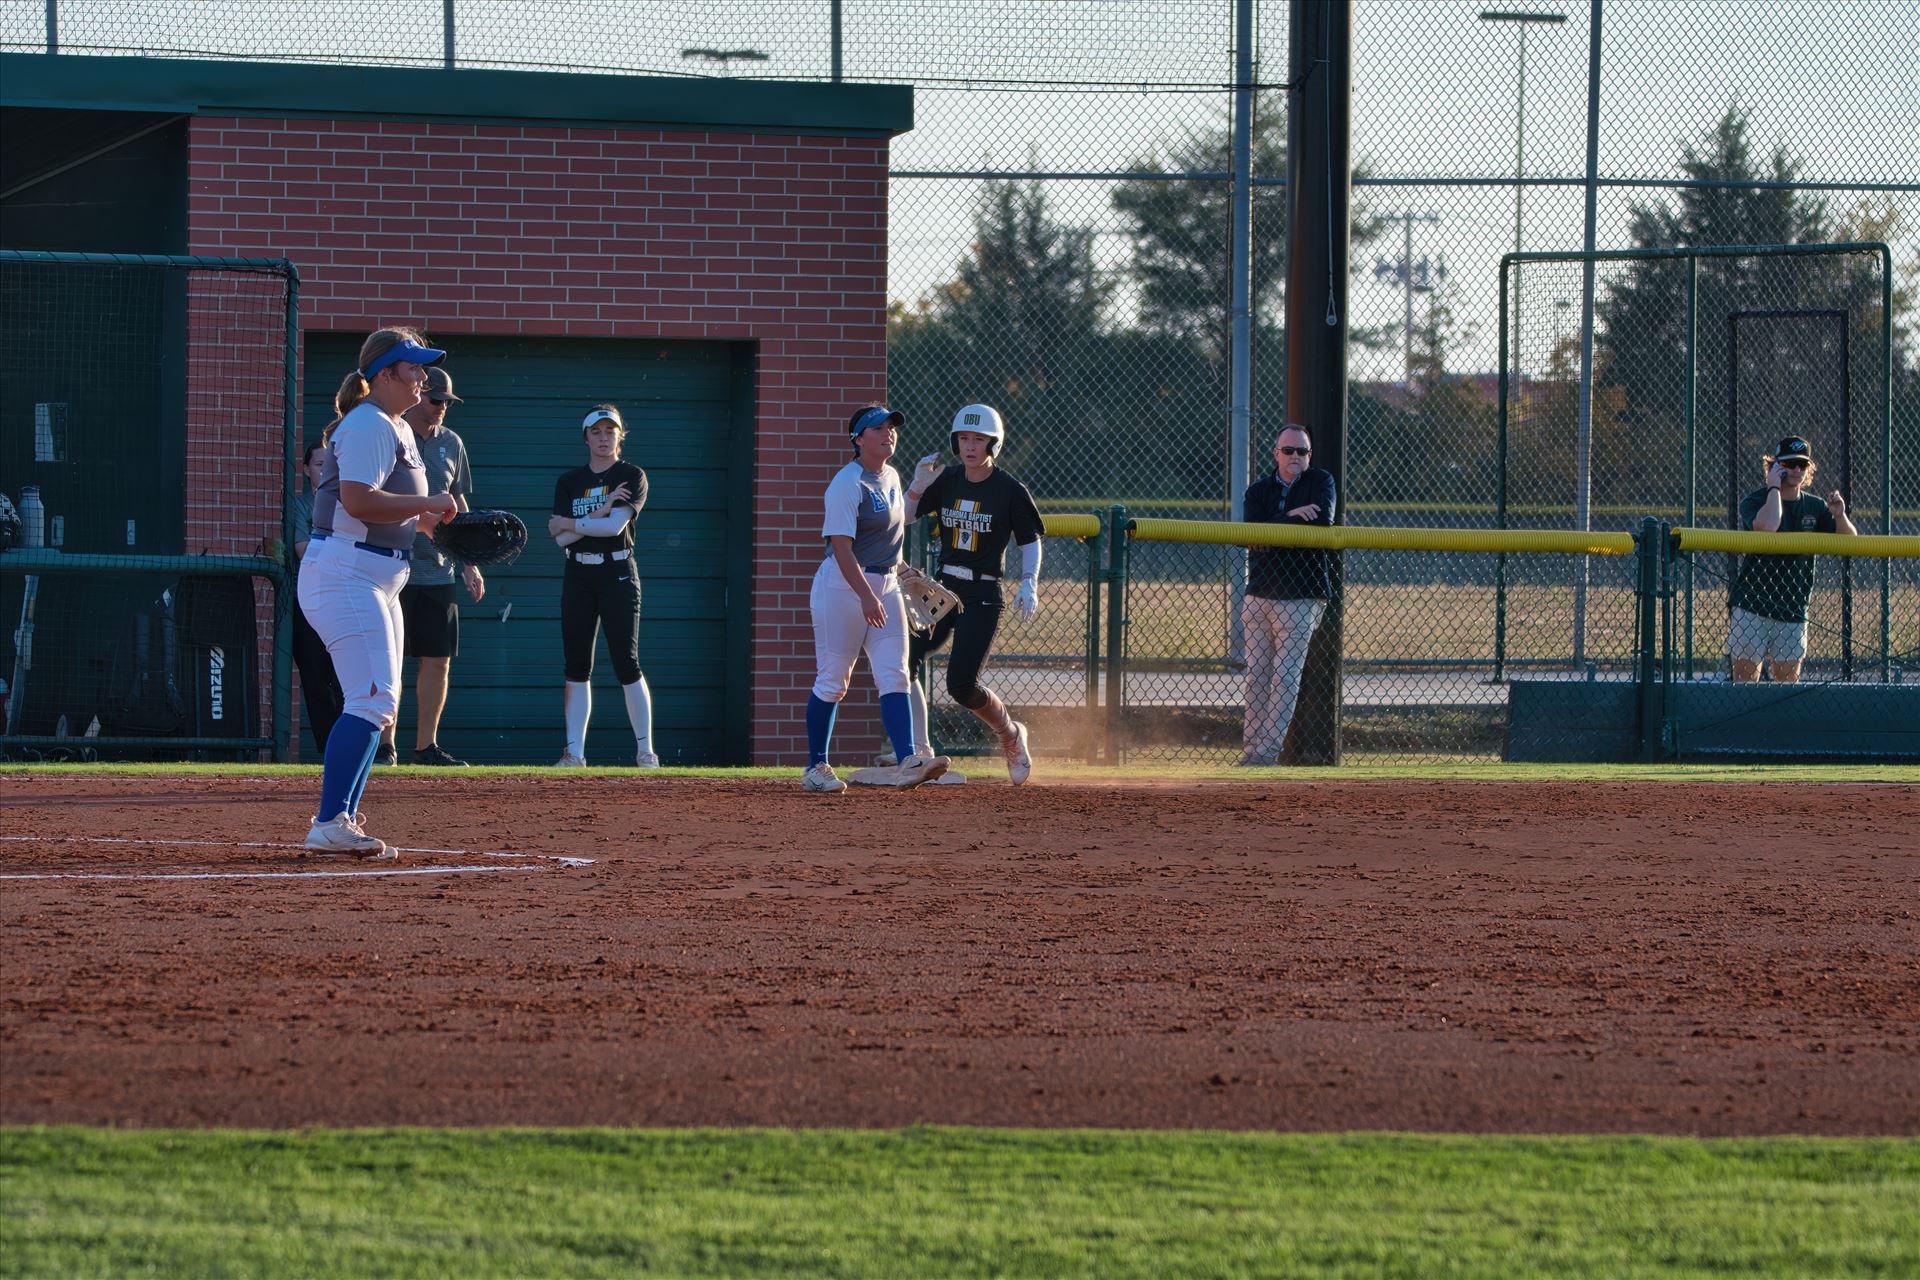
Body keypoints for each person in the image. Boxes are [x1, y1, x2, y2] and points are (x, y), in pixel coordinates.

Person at [299, 327, 458, 858]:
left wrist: (442, 525)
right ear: (384, 374)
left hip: (376, 574)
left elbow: (401, 512)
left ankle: (340, 817)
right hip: (345, 573)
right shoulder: (368, 421)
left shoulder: (397, 426)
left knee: (380, 704)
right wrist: (430, 501)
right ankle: (329, 821)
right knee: (371, 699)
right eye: (412, 369)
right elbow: (360, 502)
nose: (423, 378)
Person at [801, 404, 950, 792]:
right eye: (877, 428)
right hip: (843, 587)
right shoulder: (847, 483)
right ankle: (816, 768)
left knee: (896, 673)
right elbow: (841, 547)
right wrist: (867, 597)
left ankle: (908, 760)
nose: (888, 433)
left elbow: (891, 533)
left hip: (884, 584)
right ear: (858, 439)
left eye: (891, 427)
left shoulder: (891, 477)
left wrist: (901, 572)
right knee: (834, 680)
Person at [901, 403, 1044, 785]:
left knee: (961, 684)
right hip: (944, 587)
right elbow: (907, 516)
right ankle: (919, 753)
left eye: (978, 439)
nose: (970, 446)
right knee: (905, 658)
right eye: (964, 438)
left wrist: (1029, 580)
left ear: (992, 444)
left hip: (983, 590)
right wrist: (917, 485)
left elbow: (1030, 540)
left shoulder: (1010, 489)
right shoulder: (946, 479)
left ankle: (1010, 735)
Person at [376, 366, 485, 766]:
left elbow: (459, 504)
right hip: (395, 566)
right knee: (391, 658)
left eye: (447, 403)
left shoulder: (452, 443)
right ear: (418, 396)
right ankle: (385, 746)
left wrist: (470, 561)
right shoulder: (392, 433)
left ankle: (425, 747)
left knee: (437, 659)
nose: (442, 408)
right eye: (436, 400)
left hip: (439, 570)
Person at [547, 404, 659, 767]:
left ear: (620, 435)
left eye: (610, 431)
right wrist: (597, 513)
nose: (603, 438)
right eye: (596, 432)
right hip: (578, 574)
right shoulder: (569, 481)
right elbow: (560, 542)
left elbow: (613, 529)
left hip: (618, 573)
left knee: (627, 661)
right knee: (576, 665)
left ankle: (645, 752)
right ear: (586, 437)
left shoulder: (631, 475)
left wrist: (570, 521)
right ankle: (575, 754)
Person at [1237, 423, 1336, 766]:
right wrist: (1292, 515)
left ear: (1310, 456)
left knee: (1285, 676)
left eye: (1302, 452)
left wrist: (1273, 525)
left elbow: (1322, 520)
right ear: (1276, 453)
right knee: (1257, 676)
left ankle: (1265, 754)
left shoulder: (1320, 482)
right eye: (1289, 450)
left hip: (1301, 596)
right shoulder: (1258, 490)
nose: (1296, 457)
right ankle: (1250, 752)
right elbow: (1253, 534)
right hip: (1260, 593)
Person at [1728, 435, 1857, 683]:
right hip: (1752, 606)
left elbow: (1850, 542)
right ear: (1775, 466)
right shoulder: (1755, 501)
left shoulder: (1816, 506)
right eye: (1789, 464)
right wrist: (1774, 487)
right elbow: (1767, 526)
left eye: (1803, 465)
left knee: (1786, 685)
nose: (1797, 470)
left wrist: (1840, 516)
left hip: (1793, 607)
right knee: (1744, 683)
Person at [289, 442, 345, 757]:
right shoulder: (300, 506)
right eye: (318, 463)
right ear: (306, 469)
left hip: (345, 600)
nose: (323, 469)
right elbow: (302, 550)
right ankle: (328, 751)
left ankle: (349, 750)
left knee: (345, 682)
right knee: (315, 681)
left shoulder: (350, 502)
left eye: (330, 463)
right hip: (310, 601)